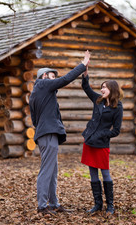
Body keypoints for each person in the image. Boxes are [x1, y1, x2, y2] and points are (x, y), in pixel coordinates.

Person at [29, 50, 90, 216]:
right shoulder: (42, 85)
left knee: (52, 170)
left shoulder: (38, 93)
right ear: (43, 77)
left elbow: (34, 119)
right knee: (46, 170)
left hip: (45, 133)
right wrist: (83, 64)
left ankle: (54, 203)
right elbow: (66, 79)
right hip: (47, 134)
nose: (54, 78)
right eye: (51, 75)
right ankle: (42, 206)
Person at [81, 51, 123, 215]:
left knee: (105, 173)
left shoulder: (117, 107)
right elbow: (86, 87)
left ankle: (110, 205)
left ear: (112, 89)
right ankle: (97, 204)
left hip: (102, 144)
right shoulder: (97, 100)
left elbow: (116, 131)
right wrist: (85, 69)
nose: (101, 89)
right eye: (101, 87)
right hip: (89, 141)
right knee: (92, 174)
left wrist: (103, 135)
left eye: (104, 87)